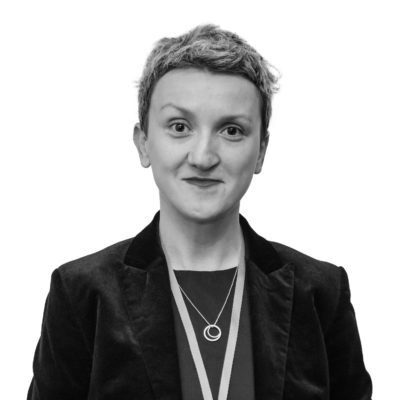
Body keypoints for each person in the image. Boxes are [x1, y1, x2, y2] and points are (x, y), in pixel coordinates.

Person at [27, 25, 372, 400]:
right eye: (179, 127)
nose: (203, 157)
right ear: (143, 143)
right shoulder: (81, 294)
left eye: (232, 130)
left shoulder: (321, 294)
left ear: (261, 151)